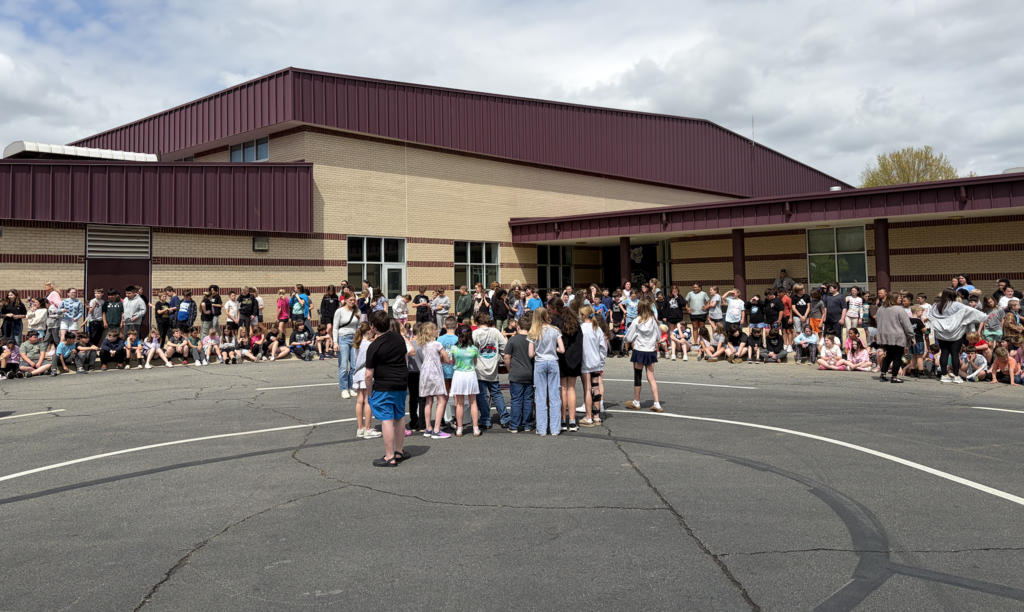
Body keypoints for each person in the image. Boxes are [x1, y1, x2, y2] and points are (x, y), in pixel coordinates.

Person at [365, 309, 413, 465]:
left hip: (384, 385)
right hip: (400, 383)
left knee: (387, 419)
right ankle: (399, 451)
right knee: (399, 417)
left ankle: (389, 456)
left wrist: (369, 392)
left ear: (373, 326)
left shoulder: (374, 346)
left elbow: (368, 374)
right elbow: (407, 356)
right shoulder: (399, 338)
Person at [930, 287, 986, 383]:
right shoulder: (957, 305)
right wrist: (984, 316)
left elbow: (930, 316)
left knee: (944, 353)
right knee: (955, 354)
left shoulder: (936, 305)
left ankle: (944, 375)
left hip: (941, 333)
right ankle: (956, 376)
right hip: (956, 334)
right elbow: (971, 312)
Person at [528, 307, 565, 436]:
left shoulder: (533, 331)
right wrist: (553, 349)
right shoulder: (555, 330)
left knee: (541, 396)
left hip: (540, 362)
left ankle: (542, 428)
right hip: (553, 361)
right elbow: (562, 349)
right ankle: (555, 428)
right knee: (554, 395)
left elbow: (530, 354)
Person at [415, 323, 451, 439]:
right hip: (435, 372)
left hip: (425, 372)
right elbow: (446, 357)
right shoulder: (437, 344)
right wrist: (445, 360)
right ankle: (436, 429)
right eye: (435, 329)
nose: (437, 331)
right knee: (441, 400)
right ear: (431, 332)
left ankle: (428, 428)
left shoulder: (423, 344)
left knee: (428, 401)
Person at [472, 312, 508, 429]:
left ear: (476, 323)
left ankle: (485, 420)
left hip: (479, 368)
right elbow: (505, 347)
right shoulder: (495, 332)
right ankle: (505, 418)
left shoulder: (475, 334)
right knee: (497, 393)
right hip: (492, 367)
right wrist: (500, 356)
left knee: (482, 395)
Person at [625, 300, 662, 411]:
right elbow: (659, 337)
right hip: (650, 351)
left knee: (638, 376)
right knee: (651, 377)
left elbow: (629, 337)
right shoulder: (653, 321)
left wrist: (626, 339)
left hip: (639, 350)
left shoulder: (636, 321)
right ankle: (657, 403)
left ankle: (637, 401)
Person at [504, 311, 536, 433]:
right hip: (529, 373)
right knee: (528, 399)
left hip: (516, 374)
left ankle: (514, 425)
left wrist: (509, 370)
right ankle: (527, 424)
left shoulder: (513, 340)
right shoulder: (532, 340)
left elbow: (507, 357)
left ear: (518, 327)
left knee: (516, 399)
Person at [875, 292, 915, 383]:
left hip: (885, 336)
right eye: (899, 298)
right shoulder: (899, 309)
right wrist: (911, 335)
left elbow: (877, 320)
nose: (900, 299)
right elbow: (906, 324)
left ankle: (883, 373)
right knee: (897, 357)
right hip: (897, 336)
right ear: (893, 299)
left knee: (889, 355)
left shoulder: (881, 309)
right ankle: (894, 377)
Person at [351, 322, 380, 439]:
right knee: (368, 401)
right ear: (369, 331)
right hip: (365, 372)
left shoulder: (357, 344)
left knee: (359, 401)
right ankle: (368, 429)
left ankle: (361, 428)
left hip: (357, 374)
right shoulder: (369, 345)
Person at [334, 294, 360, 398]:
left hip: (354, 339)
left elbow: (359, 326)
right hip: (343, 339)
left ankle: (351, 387)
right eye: (350, 300)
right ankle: (344, 389)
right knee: (344, 366)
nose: (352, 302)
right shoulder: (339, 311)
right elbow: (335, 327)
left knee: (354, 366)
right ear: (345, 300)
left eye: (354, 300)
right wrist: (335, 342)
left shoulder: (357, 311)